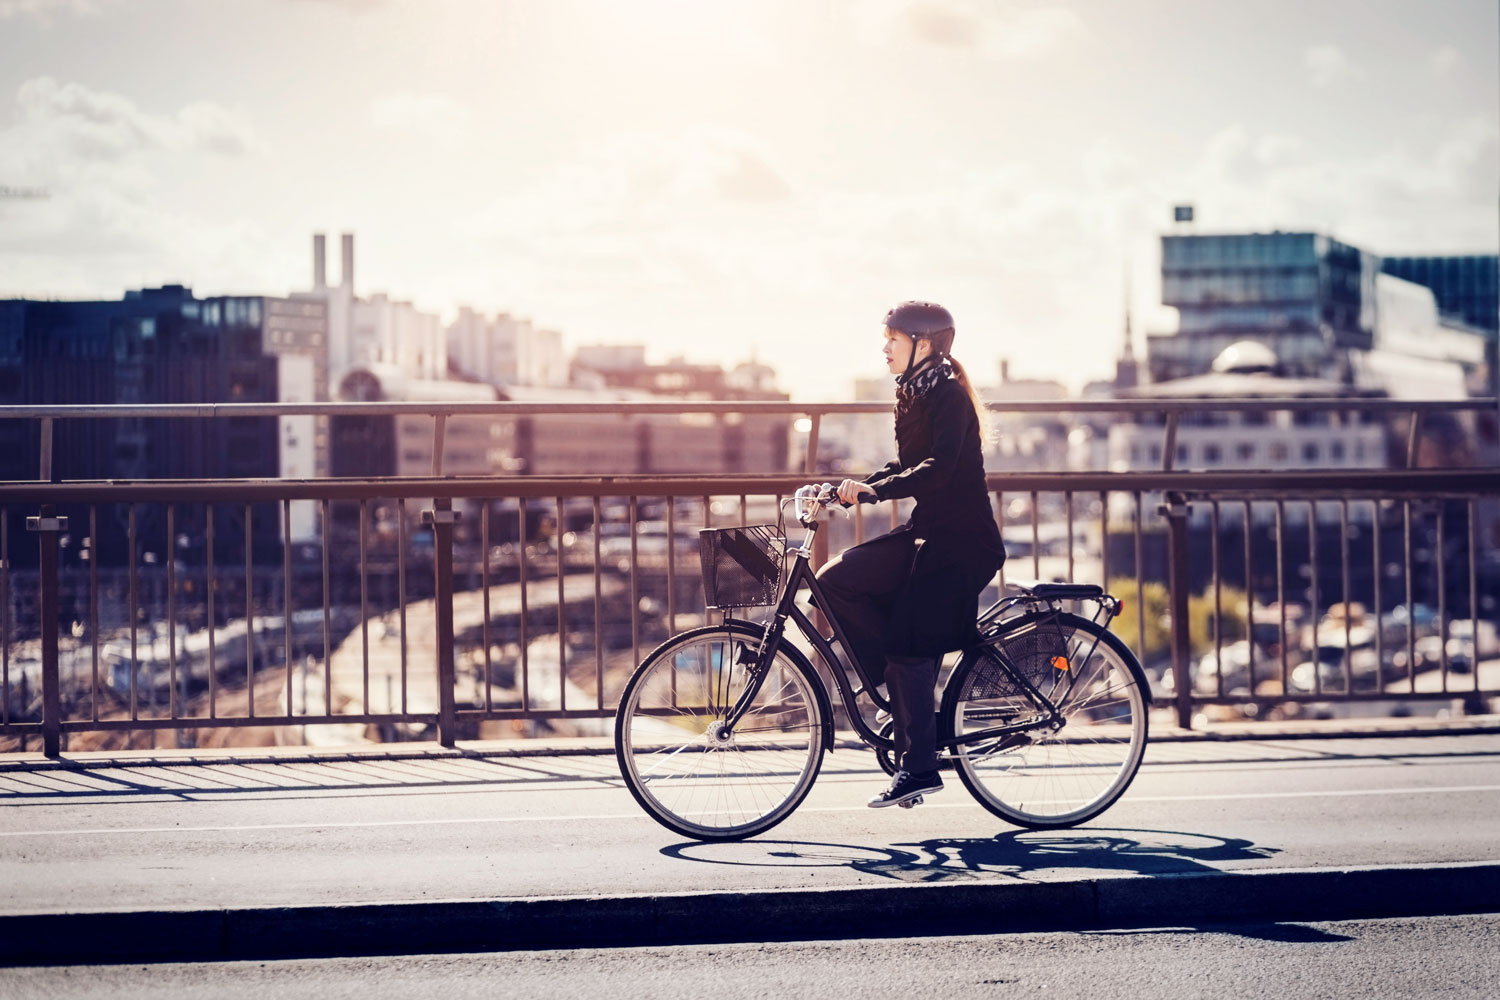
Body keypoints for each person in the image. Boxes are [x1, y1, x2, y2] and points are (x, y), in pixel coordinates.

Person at [817, 301, 1006, 808]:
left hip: (962, 544)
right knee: (837, 579)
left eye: (892, 341)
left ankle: (919, 768)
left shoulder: (949, 397)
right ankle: (903, 705)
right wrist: (852, 487)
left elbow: (938, 469)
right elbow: (906, 464)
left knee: (910, 646)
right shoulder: (914, 394)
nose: (884, 349)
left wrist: (877, 493)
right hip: (929, 533)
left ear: (924, 346)